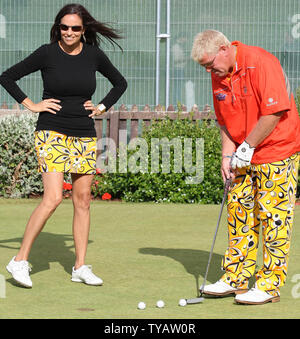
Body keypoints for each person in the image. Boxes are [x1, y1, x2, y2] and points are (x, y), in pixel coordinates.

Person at [0, 3, 127, 288]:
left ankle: (80, 266)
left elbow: (120, 83)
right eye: (64, 27)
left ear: (84, 31)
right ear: (58, 27)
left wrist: (102, 106)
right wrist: (32, 104)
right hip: (51, 131)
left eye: (75, 28)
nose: (69, 32)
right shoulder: (47, 53)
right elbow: (6, 76)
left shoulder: (93, 54)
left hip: (83, 131)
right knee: (53, 198)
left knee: (82, 201)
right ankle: (19, 260)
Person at [191, 29, 300, 304]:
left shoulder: (261, 62)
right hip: (242, 154)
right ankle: (235, 278)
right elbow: (225, 120)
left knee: (273, 218)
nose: (209, 71)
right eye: (204, 67)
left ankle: (269, 285)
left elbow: (274, 112)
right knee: (238, 213)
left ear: (224, 49)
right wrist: (227, 157)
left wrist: (248, 146)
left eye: (209, 64)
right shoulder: (218, 75)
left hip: (277, 150)